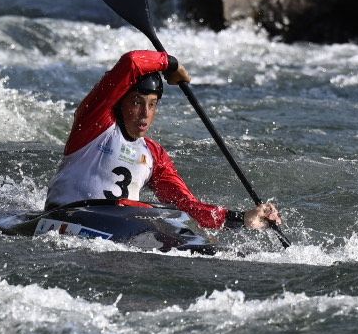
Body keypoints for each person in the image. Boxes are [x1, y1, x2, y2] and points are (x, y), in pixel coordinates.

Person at [46, 50, 281, 231]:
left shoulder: (153, 155)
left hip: (120, 227)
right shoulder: (94, 124)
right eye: (137, 102)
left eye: (152, 104)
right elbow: (131, 62)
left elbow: (186, 205)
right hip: (66, 218)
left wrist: (241, 218)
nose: (145, 114)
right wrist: (172, 63)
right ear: (120, 103)